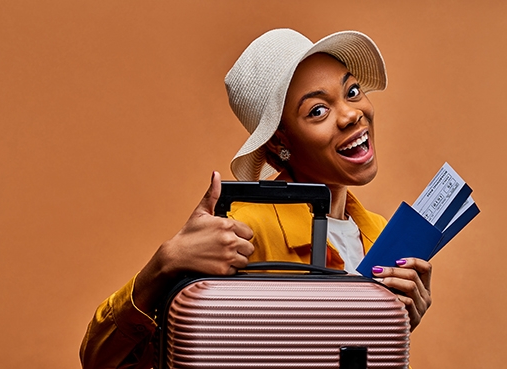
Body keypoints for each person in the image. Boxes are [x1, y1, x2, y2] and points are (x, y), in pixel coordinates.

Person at [80, 28, 432, 369]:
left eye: (352, 91)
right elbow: (102, 361)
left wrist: (392, 333)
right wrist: (164, 264)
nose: (352, 114)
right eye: (317, 111)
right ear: (280, 144)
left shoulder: (379, 233)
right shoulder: (242, 234)